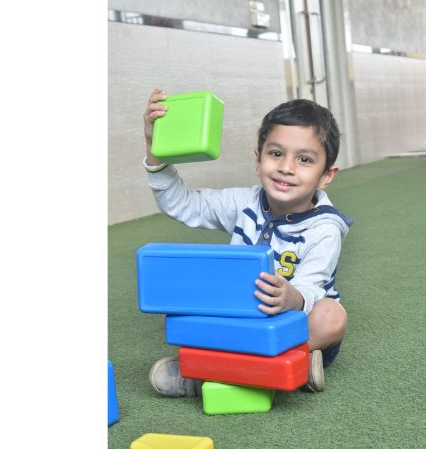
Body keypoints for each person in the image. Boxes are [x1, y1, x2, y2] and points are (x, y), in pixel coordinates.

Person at [142, 87, 352, 395]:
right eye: (276, 154)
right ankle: (275, 372)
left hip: (292, 327)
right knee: (175, 307)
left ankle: (208, 372)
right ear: (258, 159)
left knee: (332, 316)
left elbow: (312, 287)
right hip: (241, 315)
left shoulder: (325, 228)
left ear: (326, 175)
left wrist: (291, 297)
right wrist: (154, 150)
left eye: (305, 159)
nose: (286, 167)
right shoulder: (244, 203)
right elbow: (183, 204)